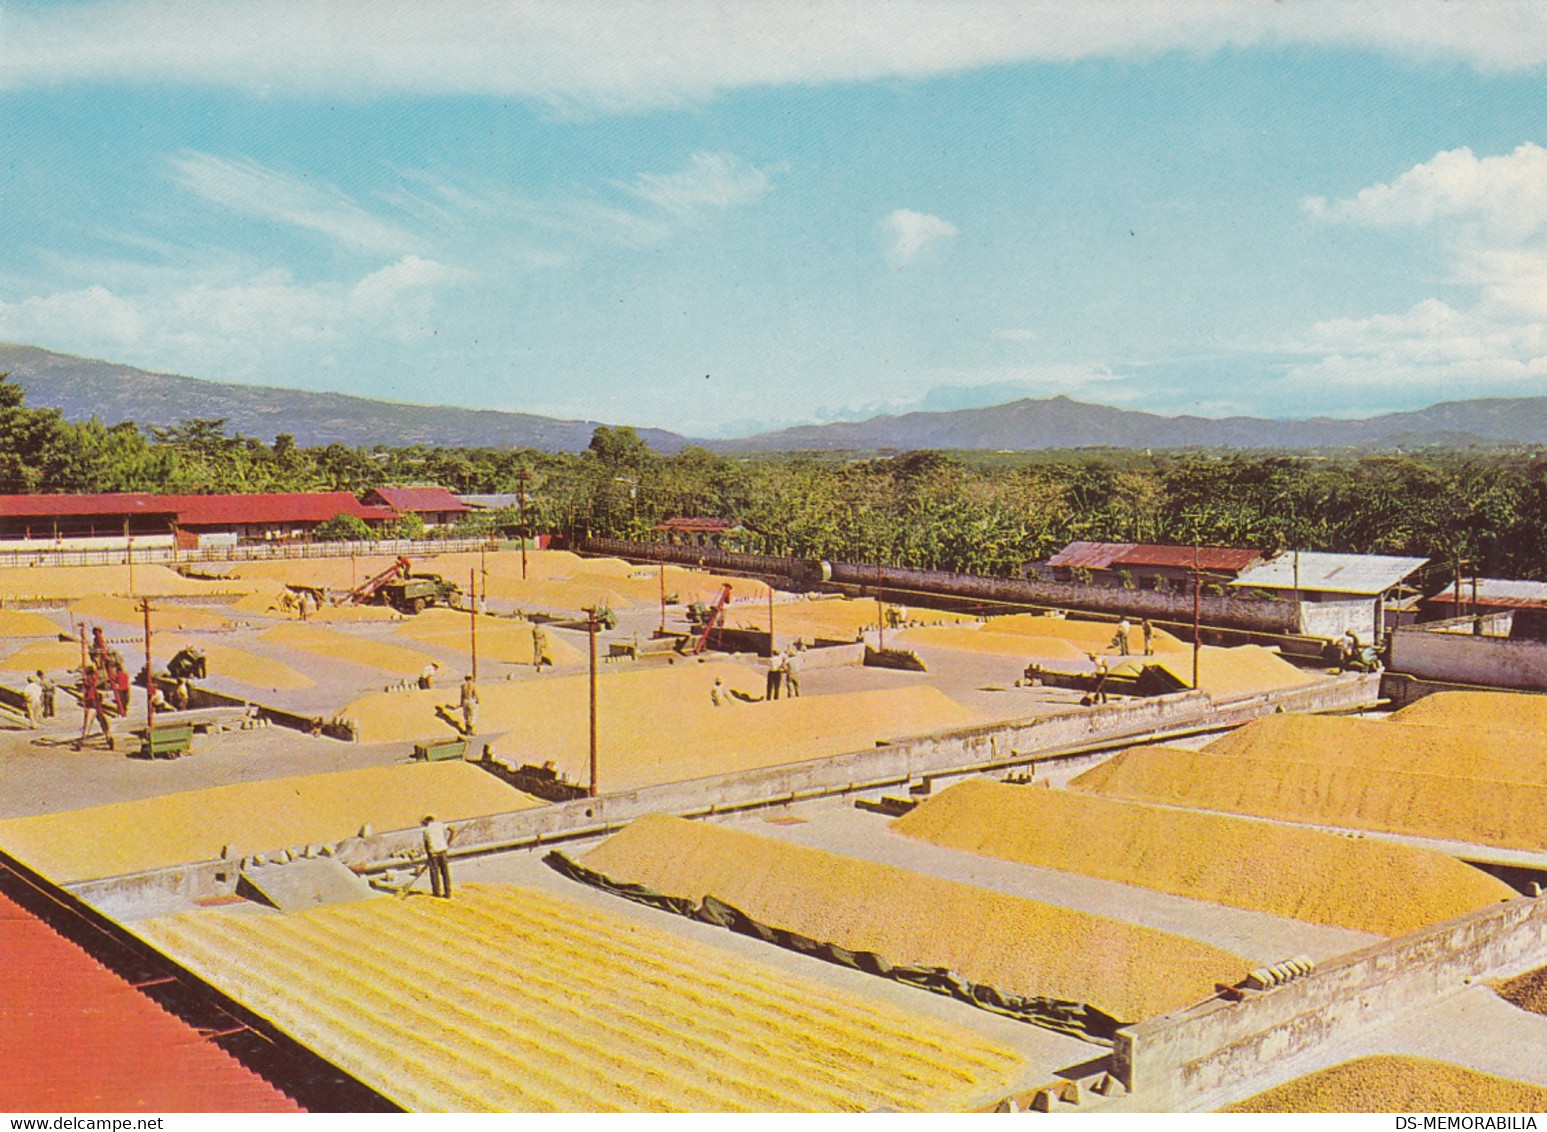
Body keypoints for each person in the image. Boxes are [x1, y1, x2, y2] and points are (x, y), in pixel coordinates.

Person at [76, 664, 113, 751]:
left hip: (90, 700)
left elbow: (86, 686)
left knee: (88, 721)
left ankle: (83, 738)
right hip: (95, 700)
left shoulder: (88, 680)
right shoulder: (93, 678)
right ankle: (108, 737)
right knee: (101, 719)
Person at [420, 815, 452, 899]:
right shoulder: (439, 825)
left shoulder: (426, 830)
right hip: (443, 851)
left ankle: (437, 893)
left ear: (426, 821)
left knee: (434, 873)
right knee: (445, 873)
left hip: (433, 853)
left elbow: (426, 844)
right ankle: (448, 893)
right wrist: (449, 841)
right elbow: (453, 829)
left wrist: (428, 857)